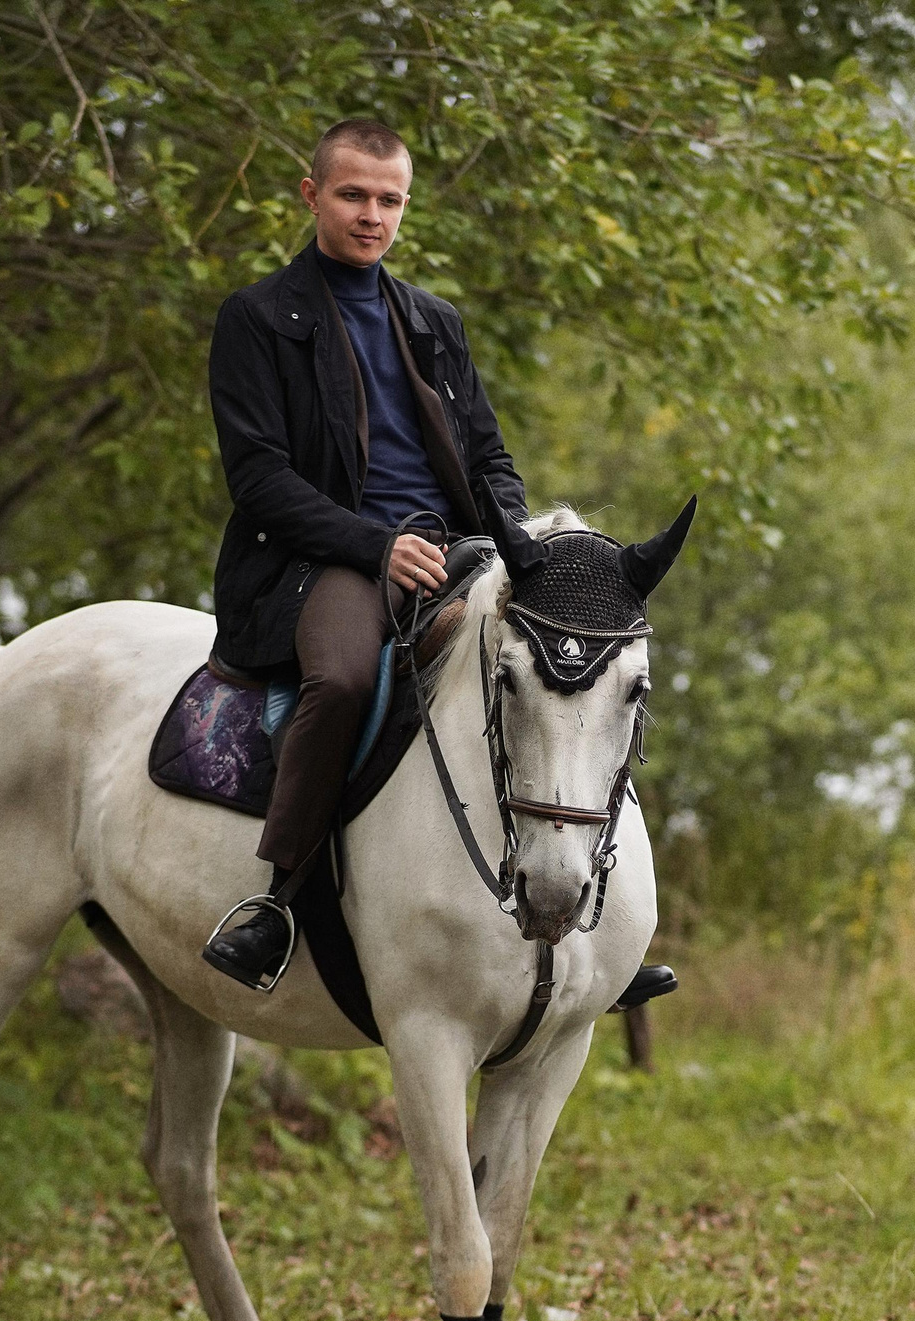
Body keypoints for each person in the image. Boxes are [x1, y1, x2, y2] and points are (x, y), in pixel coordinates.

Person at [197, 117, 673, 1009]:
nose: (371, 216)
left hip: (459, 549)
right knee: (343, 680)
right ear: (311, 196)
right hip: (322, 560)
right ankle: (278, 899)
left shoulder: (432, 320)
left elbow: (488, 458)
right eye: (353, 195)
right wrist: (374, 546)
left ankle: (605, 925)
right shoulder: (257, 319)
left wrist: (521, 546)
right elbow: (259, 479)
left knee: (578, 663)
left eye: (389, 200)